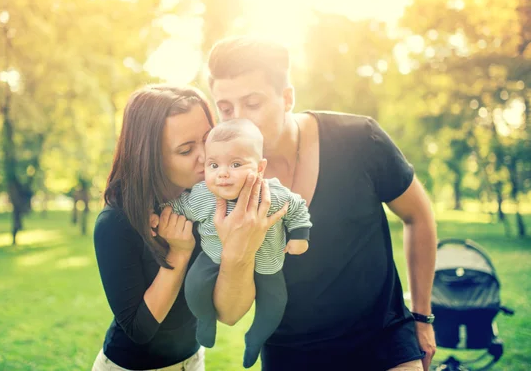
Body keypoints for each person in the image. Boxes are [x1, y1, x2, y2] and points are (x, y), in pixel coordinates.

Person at [204, 36, 438, 371]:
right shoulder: (225, 183)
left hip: (383, 343)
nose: (238, 120)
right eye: (226, 109)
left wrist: (421, 315)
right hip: (290, 353)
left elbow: (418, 215)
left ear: (287, 98)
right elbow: (229, 313)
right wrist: (237, 249)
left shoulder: (359, 138)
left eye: (252, 103)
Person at [166, 118, 311, 368]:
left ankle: (256, 337)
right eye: (214, 165)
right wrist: (160, 213)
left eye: (235, 164)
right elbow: (180, 206)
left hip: (268, 263)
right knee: (194, 287)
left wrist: (300, 235)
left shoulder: (273, 195)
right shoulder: (202, 196)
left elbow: (297, 207)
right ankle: (205, 319)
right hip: (214, 257)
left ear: (260, 167)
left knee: (275, 306)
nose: (223, 173)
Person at [91, 85, 214, 371]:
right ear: (150, 158)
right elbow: (139, 330)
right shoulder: (116, 223)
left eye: (208, 139)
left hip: (193, 360)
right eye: (186, 150)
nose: (205, 156)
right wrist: (179, 255)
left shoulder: (203, 198)